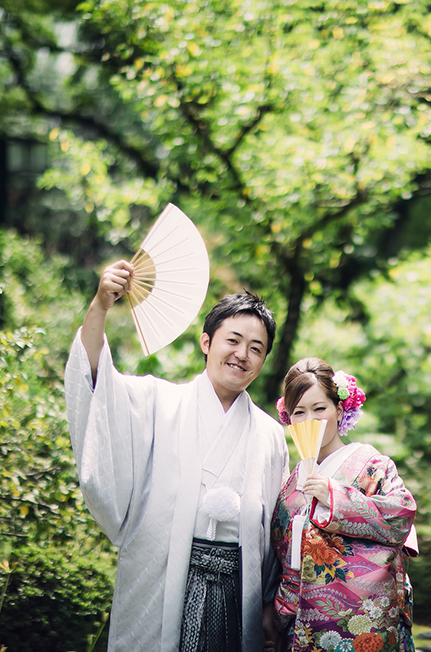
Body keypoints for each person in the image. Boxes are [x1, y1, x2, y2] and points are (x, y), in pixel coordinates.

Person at [64, 260, 289, 652]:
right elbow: (98, 381)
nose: (242, 355)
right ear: (206, 343)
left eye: (256, 349)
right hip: (164, 580)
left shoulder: (270, 434)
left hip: (239, 594)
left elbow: (274, 535)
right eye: (232, 341)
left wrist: (270, 604)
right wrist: (100, 305)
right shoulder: (157, 401)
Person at [271, 357, 417, 652]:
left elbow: (401, 514)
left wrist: (336, 496)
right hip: (300, 621)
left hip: (363, 621)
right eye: (298, 412)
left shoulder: (372, 463)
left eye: (319, 408)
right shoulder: (291, 480)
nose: (309, 420)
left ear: (339, 409)